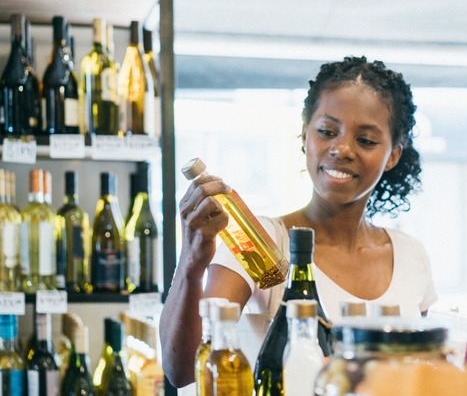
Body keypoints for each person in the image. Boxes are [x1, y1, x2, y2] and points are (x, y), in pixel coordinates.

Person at [160, 56, 438, 387]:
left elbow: (425, 376)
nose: (341, 148)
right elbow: (182, 371)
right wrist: (192, 265)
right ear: (306, 136)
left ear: (393, 155)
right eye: (326, 131)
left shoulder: (410, 255)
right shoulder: (260, 244)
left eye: (366, 140)